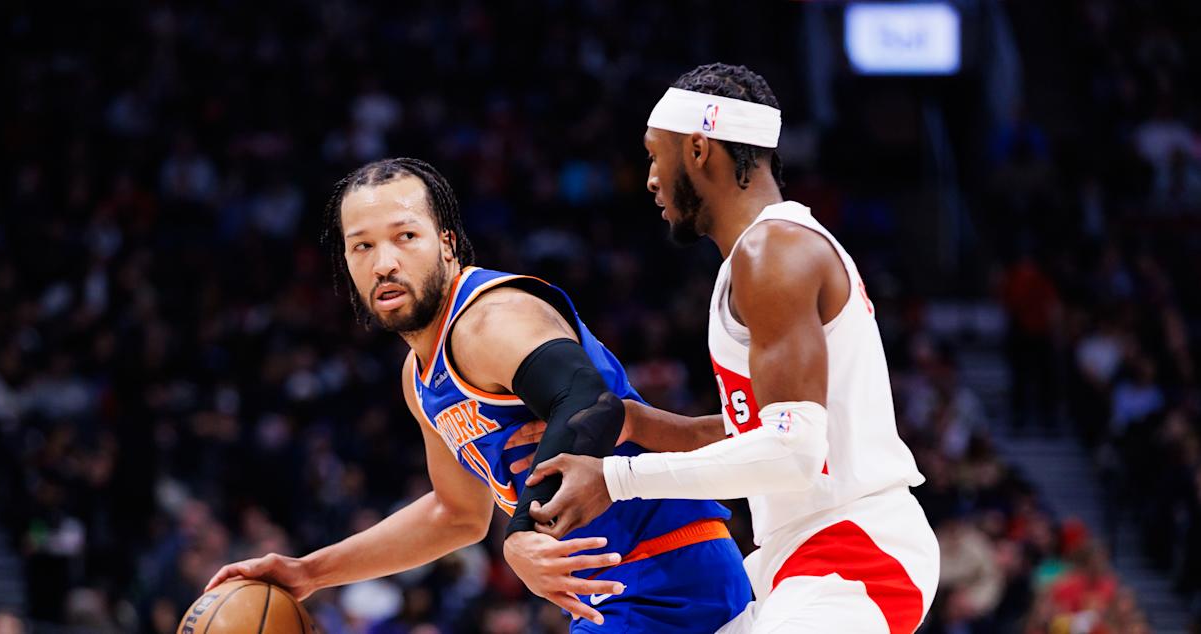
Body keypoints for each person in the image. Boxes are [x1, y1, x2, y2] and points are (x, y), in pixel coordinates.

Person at [204, 158, 751, 631]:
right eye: (362, 247)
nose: (384, 262)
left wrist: (519, 533)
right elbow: (456, 514)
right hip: (615, 596)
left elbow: (589, 400)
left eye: (405, 236)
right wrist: (309, 572)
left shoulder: (488, 320)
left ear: (446, 242)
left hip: (669, 575)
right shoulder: (419, 377)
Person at [522, 64, 941, 633]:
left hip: (855, 555)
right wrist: (635, 423)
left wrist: (615, 478)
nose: (649, 178)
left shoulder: (773, 252)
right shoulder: (765, 253)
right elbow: (754, 435)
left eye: (654, 154)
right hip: (795, 560)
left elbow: (791, 453)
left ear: (698, 149)